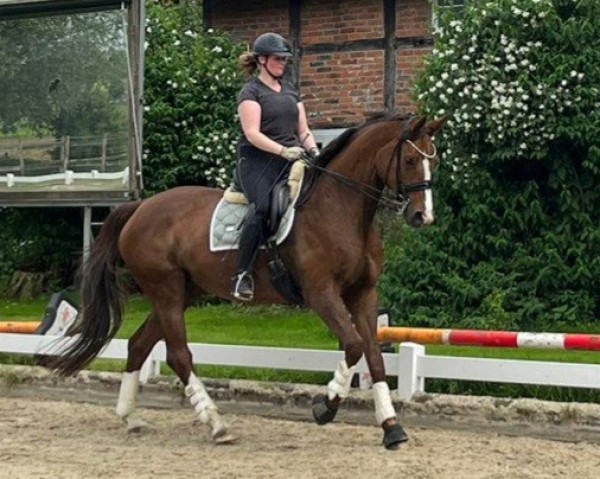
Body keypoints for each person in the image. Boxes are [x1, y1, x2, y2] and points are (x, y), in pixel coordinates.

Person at [231, 32, 319, 301]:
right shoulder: (252, 92)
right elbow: (252, 134)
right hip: (257, 162)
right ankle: (242, 274)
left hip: (291, 158)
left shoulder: (291, 90)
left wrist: (314, 152)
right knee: (265, 208)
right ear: (262, 60)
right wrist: (283, 150)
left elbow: (302, 130)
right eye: (278, 59)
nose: (283, 63)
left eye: (285, 59)